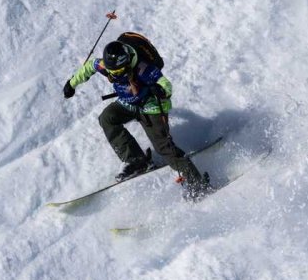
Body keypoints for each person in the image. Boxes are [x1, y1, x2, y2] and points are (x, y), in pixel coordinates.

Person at [63, 37, 212, 200]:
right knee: (107, 118)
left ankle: (198, 185)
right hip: (128, 103)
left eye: (118, 72)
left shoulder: (143, 69)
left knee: (163, 147)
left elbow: (166, 84)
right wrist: (71, 84)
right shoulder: (107, 66)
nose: (115, 75)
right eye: (112, 73)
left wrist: (162, 91)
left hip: (151, 106)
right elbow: (89, 67)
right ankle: (136, 160)